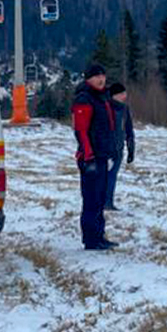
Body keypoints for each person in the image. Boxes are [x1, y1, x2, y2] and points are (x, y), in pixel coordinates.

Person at [72, 62, 119, 250]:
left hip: (102, 155)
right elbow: (81, 130)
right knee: (91, 200)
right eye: (96, 76)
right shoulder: (84, 99)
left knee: (100, 199)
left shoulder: (103, 97)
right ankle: (91, 239)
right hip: (90, 158)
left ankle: (99, 235)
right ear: (88, 79)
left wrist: (111, 151)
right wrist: (88, 157)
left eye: (103, 75)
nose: (101, 79)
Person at [104, 80, 134, 211]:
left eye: (125, 93)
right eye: (122, 93)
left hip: (118, 149)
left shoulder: (124, 109)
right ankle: (103, 202)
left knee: (112, 176)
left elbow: (129, 130)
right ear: (114, 95)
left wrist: (131, 148)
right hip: (105, 150)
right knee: (105, 177)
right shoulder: (105, 107)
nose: (124, 96)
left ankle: (108, 202)